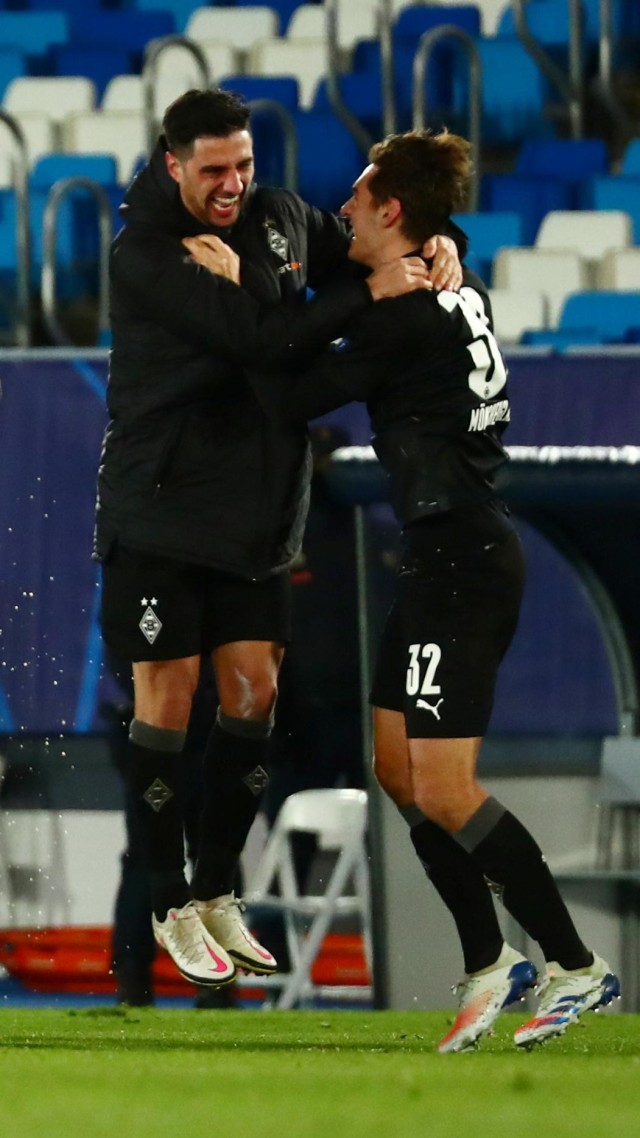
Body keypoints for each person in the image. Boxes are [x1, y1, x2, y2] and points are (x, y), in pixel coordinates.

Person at [186, 127, 621, 1050]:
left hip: (461, 559)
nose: (341, 208)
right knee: (398, 768)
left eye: (356, 196)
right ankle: (487, 961)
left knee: (444, 785)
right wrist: (430, 248)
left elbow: (289, 398)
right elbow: (401, 291)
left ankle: (576, 966)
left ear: (391, 209)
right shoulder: (455, 285)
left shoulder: (402, 316)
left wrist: (231, 304)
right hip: (443, 554)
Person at [94, 88, 463, 992]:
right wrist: (362, 291)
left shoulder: (281, 218)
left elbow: (372, 247)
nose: (233, 185)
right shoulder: (145, 254)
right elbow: (259, 339)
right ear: (173, 163)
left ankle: (218, 888)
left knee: (254, 696)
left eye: (244, 165)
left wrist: (434, 246)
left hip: (259, 514)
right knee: (169, 701)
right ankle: (169, 898)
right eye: (214, 170)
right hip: (161, 509)